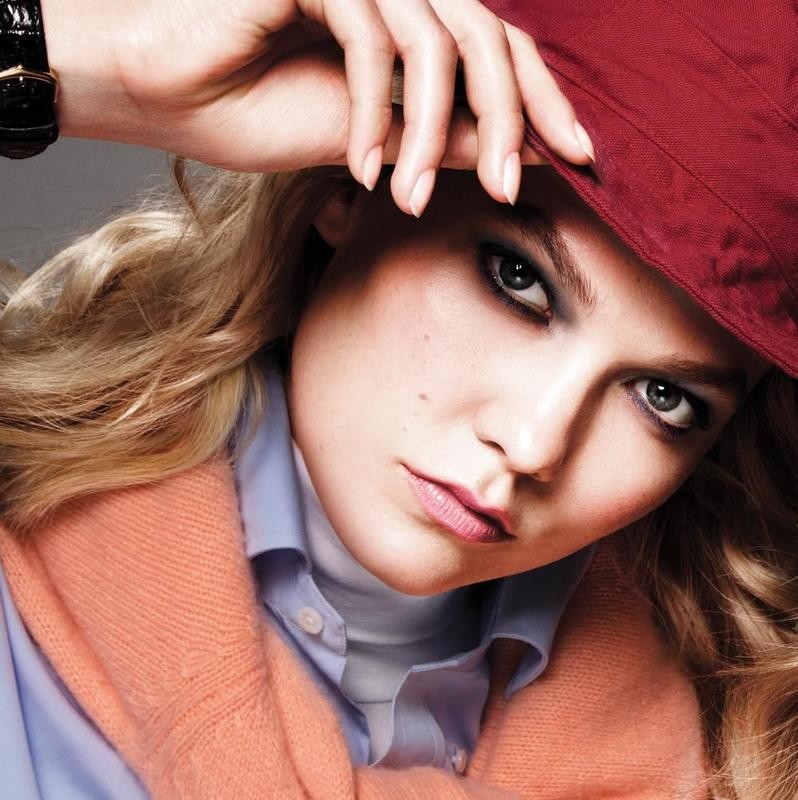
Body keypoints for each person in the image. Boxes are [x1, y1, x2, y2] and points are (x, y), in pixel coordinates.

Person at [0, 1, 795, 799]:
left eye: (664, 397)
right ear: (352, 186)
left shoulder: (733, 758)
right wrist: (82, 61)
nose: (533, 443)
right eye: (517, 279)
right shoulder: (16, 543)